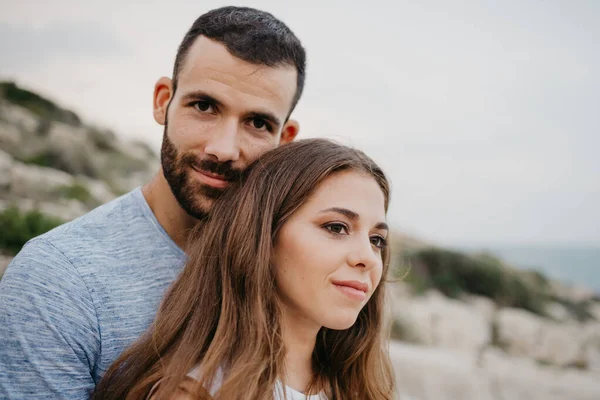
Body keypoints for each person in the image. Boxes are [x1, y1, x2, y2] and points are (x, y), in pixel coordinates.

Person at [0, 7, 306, 399]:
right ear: (164, 100)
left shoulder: (292, 273)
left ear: (285, 138)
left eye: (257, 123)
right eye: (204, 106)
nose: (224, 149)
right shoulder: (58, 280)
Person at [93, 139, 396, 400]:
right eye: (336, 227)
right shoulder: (191, 393)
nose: (367, 257)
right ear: (264, 234)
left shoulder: (360, 389)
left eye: (376, 240)